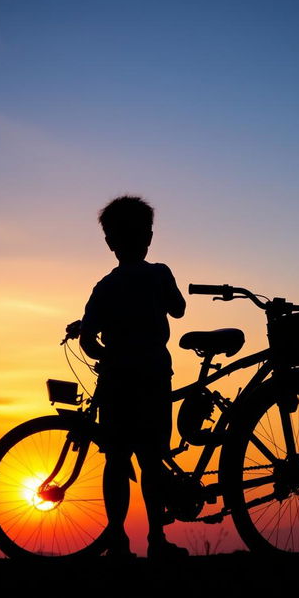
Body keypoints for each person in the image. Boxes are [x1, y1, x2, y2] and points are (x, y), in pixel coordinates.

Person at [80, 195, 188, 559]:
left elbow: (87, 340)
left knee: (116, 459)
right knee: (151, 459)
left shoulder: (104, 286)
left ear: (110, 242)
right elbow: (179, 309)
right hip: (155, 375)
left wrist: (106, 356)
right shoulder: (159, 273)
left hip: (116, 381)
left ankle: (117, 539)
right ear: (150, 237)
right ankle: (157, 540)